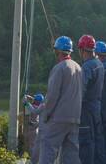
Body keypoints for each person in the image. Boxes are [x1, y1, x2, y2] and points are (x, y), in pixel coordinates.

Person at [39, 36, 83, 164]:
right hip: (75, 118)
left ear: (57, 51)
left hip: (58, 118)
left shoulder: (59, 68)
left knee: (48, 149)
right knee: (71, 154)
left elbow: (52, 96)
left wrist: (46, 114)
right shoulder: (78, 67)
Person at [77, 34, 104, 164]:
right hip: (97, 107)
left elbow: (81, 91)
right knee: (97, 139)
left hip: (86, 109)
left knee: (86, 141)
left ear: (82, 50)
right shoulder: (99, 63)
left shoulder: (87, 67)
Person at [24, 93, 45, 163]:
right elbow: (35, 101)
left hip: (33, 129)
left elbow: (33, 109)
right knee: (35, 145)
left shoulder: (35, 107)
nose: (34, 100)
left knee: (32, 146)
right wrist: (29, 97)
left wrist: (26, 102)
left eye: (35, 99)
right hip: (37, 128)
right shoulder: (41, 106)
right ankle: (34, 159)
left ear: (37, 101)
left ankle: (33, 160)